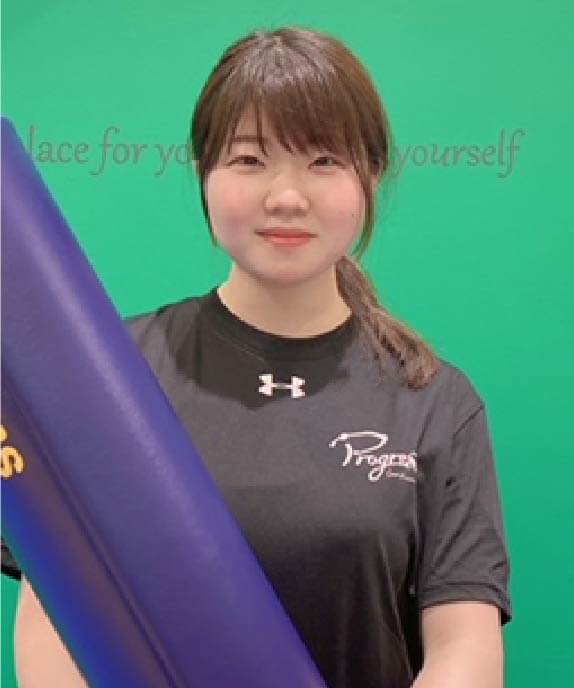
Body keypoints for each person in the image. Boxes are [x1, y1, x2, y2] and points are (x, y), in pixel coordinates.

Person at [2, 26, 512, 688]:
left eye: (323, 160)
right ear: (204, 173)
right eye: (249, 159)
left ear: (372, 176)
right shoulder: (111, 377)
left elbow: (464, 647)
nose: (286, 196)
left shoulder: (433, 402)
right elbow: (54, 620)